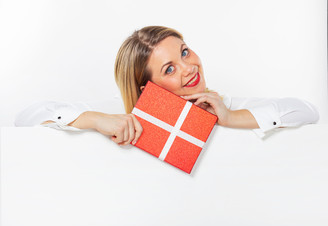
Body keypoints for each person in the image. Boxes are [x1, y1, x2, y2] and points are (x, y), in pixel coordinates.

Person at [15, 26, 319, 144]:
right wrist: (96, 120)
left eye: (184, 51)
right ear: (148, 88)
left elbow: (307, 111)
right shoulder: (126, 120)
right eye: (170, 68)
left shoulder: (231, 106)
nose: (189, 68)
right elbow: (27, 117)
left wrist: (229, 118)